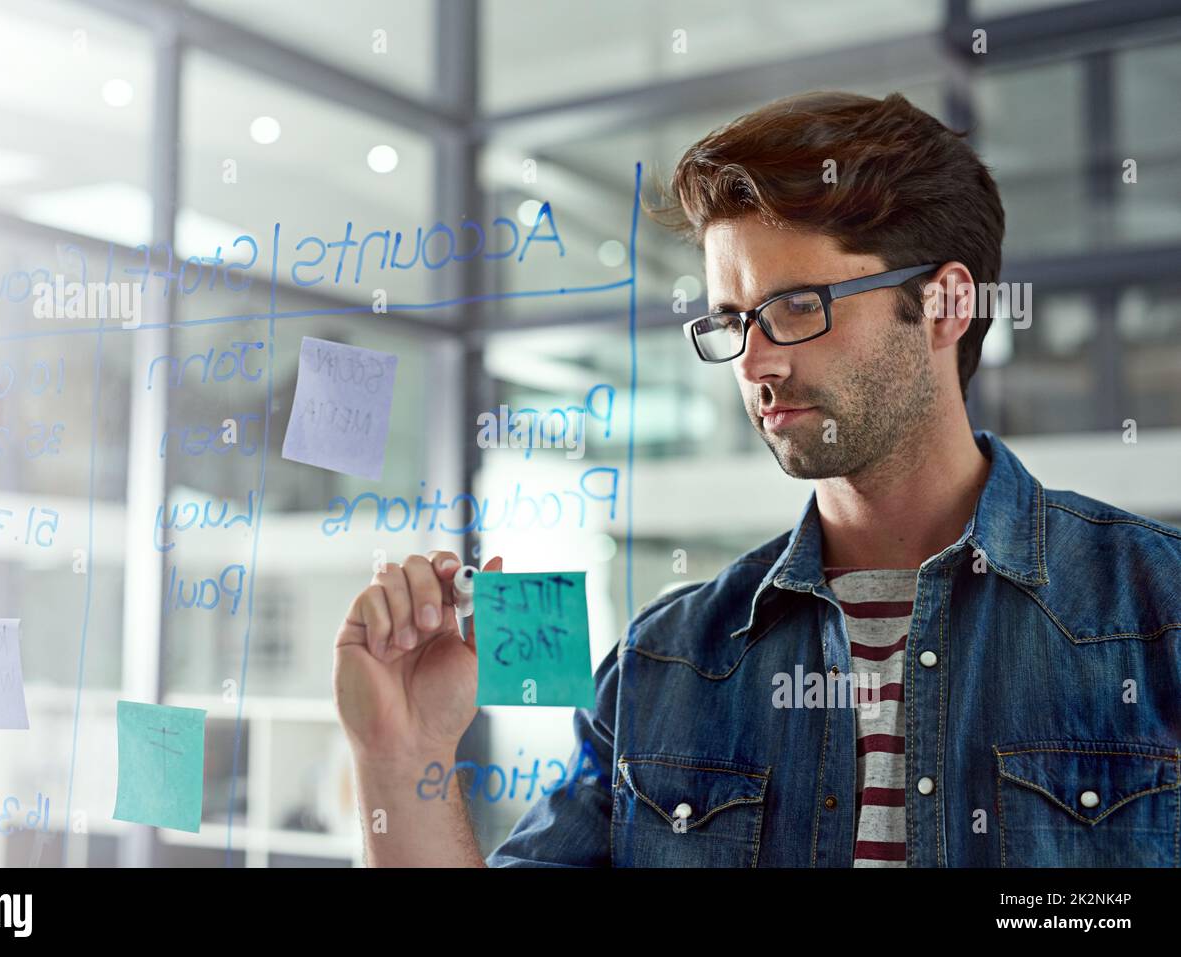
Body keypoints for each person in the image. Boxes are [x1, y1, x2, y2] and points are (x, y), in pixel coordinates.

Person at [333, 90, 1181, 867]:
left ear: (944, 306)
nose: (756, 361)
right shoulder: (662, 666)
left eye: (797, 306)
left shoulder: (1158, 616)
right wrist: (402, 752)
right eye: (733, 320)